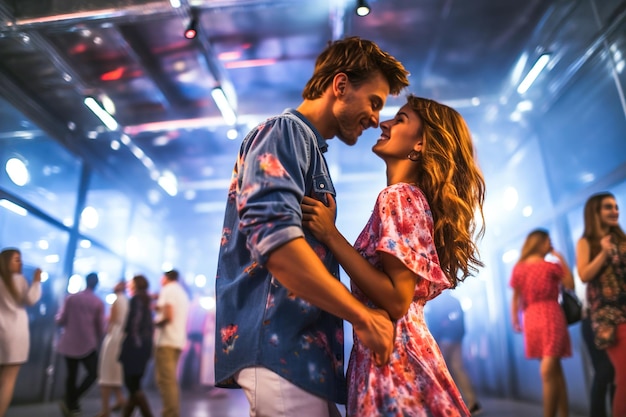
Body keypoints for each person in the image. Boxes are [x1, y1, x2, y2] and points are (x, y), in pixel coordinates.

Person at [214, 36, 409, 417]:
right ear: (340, 86)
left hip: (296, 354)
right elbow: (276, 243)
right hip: (280, 348)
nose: (375, 119)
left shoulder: (307, 145)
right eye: (374, 102)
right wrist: (362, 314)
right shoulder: (285, 132)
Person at [301, 95, 485, 417]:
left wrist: (331, 235)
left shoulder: (397, 197)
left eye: (400, 120)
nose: (384, 123)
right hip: (400, 347)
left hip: (394, 355)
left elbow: (397, 301)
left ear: (421, 144)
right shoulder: (412, 198)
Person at [509, 229, 574, 417]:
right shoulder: (520, 267)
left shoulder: (551, 265)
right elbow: (516, 296)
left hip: (552, 315)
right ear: (539, 242)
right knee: (554, 371)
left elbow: (570, 285)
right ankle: (564, 414)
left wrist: (559, 257)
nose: (550, 244)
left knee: (547, 371)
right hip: (532, 318)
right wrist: (515, 318)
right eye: (548, 241)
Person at [576, 192, 626, 417]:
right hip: (608, 318)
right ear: (595, 213)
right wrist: (604, 252)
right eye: (608, 207)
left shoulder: (622, 240)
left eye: (616, 207)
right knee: (617, 376)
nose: (615, 211)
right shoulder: (587, 242)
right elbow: (584, 274)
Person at [56, 272, 105, 416]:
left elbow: (61, 319)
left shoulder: (71, 298)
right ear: (96, 284)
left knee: (71, 375)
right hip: (87, 344)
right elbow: (100, 328)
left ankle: (71, 402)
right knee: (94, 373)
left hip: (69, 342)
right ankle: (73, 400)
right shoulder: (98, 302)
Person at [426, 289, 482, 415]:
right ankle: (472, 402)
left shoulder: (434, 301)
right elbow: (461, 323)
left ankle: (446, 404)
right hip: (456, 339)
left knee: (442, 372)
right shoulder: (455, 301)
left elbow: (434, 323)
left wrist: (437, 338)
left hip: (443, 340)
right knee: (458, 368)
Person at [0, 248, 42, 417]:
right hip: (15, 334)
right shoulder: (18, 279)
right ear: (6, 262)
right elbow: (31, 299)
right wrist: (37, 281)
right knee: (8, 380)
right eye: (16, 259)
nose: (21, 262)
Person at [154, 269, 190, 417]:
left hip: (166, 340)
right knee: (170, 379)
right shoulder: (182, 292)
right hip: (178, 340)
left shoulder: (167, 289)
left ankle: (170, 413)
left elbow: (169, 315)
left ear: (165, 278)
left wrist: (155, 323)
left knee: (165, 380)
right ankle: (171, 411)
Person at [119, 275, 154, 417]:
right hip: (144, 346)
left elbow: (134, 324)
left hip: (134, 346)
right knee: (135, 384)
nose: (129, 285)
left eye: (132, 283)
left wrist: (131, 342)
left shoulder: (136, 299)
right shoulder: (147, 300)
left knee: (132, 384)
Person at [96, 280, 129, 417]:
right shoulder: (127, 301)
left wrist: (106, 328)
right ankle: (121, 399)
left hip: (113, 337)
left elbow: (113, 319)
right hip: (122, 338)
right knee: (115, 374)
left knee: (106, 374)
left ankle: (105, 409)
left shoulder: (117, 300)